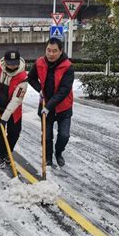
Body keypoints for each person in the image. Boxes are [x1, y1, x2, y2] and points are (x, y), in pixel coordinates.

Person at [28, 38, 74, 167]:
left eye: (54, 51)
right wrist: (39, 89)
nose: (51, 54)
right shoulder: (39, 62)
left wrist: (48, 107)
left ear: (61, 51)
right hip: (45, 106)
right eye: (48, 50)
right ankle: (48, 157)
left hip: (63, 107)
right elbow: (31, 78)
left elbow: (63, 91)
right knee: (47, 136)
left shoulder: (68, 67)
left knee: (64, 135)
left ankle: (58, 153)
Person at [0, 50, 28, 169]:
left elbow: (16, 100)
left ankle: (7, 153)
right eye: (10, 63)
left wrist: (4, 118)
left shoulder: (22, 77)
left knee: (14, 133)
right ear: (5, 61)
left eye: (14, 63)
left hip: (13, 110)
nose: (12, 66)